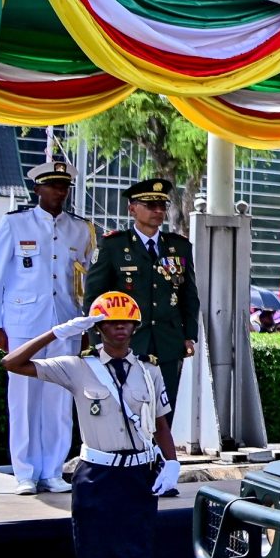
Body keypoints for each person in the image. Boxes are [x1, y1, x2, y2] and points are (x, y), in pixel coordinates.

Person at [0, 292, 179, 558]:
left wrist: (172, 464)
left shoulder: (148, 370)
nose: (121, 329)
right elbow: (12, 363)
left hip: (138, 478)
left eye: (127, 322)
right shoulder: (78, 367)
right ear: (97, 328)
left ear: (135, 327)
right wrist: (56, 333)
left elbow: (161, 425)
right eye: (111, 322)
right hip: (98, 478)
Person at [0, 159, 94, 494]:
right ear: (38, 189)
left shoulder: (80, 229)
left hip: (65, 323)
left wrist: (85, 326)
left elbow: (85, 280)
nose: (59, 191)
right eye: (52, 185)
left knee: (59, 401)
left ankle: (52, 470)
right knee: (23, 399)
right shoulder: (16, 223)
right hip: (24, 323)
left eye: (64, 186)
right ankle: (25, 472)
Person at [85, 178, 199, 419]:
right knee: (127, 407)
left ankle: (161, 445)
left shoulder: (178, 247)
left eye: (162, 205)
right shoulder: (114, 245)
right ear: (132, 209)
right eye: (150, 205)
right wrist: (98, 340)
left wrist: (189, 335)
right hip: (126, 341)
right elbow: (95, 297)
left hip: (167, 341)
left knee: (164, 409)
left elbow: (189, 295)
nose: (158, 211)